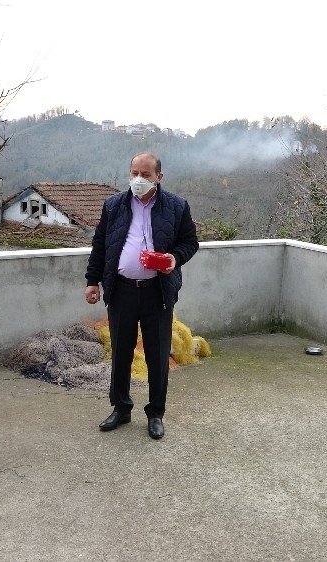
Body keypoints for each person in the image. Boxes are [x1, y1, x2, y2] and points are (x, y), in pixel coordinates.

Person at [85, 151, 199, 439]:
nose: (138, 179)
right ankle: (121, 408)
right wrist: (92, 281)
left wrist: (174, 258)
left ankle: (156, 413)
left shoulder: (176, 207)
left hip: (157, 292)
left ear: (158, 177)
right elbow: (100, 245)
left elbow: (190, 242)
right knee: (121, 353)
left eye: (145, 174)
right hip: (121, 290)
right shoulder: (113, 206)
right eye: (134, 173)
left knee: (157, 355)